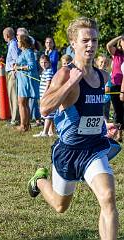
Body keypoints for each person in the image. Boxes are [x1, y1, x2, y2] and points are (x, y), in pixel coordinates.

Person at [28, 17, 121, 240]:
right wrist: (70, 83)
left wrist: (104, 124)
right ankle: (39, 180)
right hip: (69, 151)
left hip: (93, 149)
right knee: (61, 206)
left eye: (95, 40)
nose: (91, 45)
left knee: (107, 197)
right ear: (73, 43)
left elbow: (94, 111)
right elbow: (44, 108)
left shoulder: (102, 76)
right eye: (85, 40)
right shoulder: (64, 74)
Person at [14, 34, 40, 131]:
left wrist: (19, 68)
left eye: (18, 41)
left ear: (23, 42)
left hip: (26, 81)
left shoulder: (28, 52)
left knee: (21, 103)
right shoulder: (23, 52)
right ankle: (26, 125)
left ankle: (23, 125)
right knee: (24, 103)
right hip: (22, 80)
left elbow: (32, 66)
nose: (17, 43)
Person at [106, 35, 124, 142]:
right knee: (117, 110)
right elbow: (108, 45)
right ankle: (119, 133)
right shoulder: (117, 53)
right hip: (115, 84)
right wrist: (120, 37)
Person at [33, 55, 54, 137]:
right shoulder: (45, 71)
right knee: (50, 113)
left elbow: (48, 84)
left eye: (45, 62)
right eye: (41, 62)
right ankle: (50, 131)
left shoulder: (49, 71)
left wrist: (45, 95)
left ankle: (45, 132)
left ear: (49, 63)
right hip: (44, 95)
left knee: (47, 114)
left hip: (47, 95)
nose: (43, 64)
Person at [3, 27, 21, 126]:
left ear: (7, 35)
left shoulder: (13, 44)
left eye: (4, 36)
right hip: (10, 71)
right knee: (11, 95)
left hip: (13, 73)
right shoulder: (12, 44)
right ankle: (14, 118)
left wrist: (14, 70)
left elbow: (16, 59)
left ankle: (15, 119)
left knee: (13, 96)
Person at [95, 54, 112, 122]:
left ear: (107, 64)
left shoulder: (107, 75)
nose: (103, 64)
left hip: (104, 100)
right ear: (97, 62)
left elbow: (107, 89)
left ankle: (106, 131)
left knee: (104, 119)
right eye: (101, 62)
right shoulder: (94, 73)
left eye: (105, 62)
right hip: (95, 99)